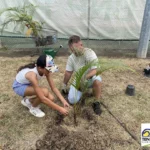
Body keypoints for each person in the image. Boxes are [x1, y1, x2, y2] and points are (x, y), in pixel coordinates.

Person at [62, 35, 102, 108]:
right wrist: (64, 84)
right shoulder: (71, 58)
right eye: (72, 50)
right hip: (79, 80)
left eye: (75, 49)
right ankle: (79, 90)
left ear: (81, 45)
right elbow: (68, 72)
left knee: (97, 81)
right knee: (72, 100)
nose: (74, 52)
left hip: (90, 79)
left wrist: (85, 78)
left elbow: (95, 70)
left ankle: (97, 102)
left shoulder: (90, 53)